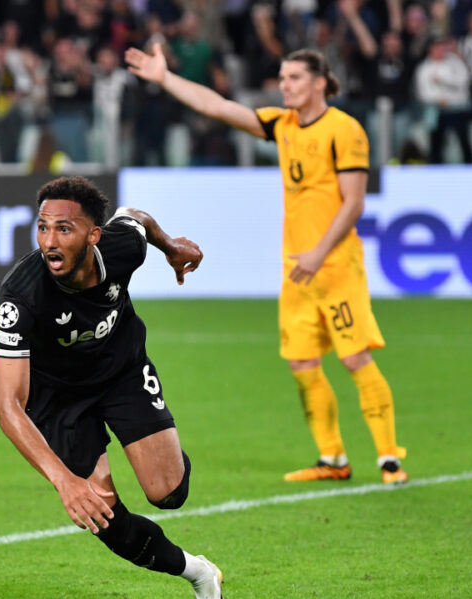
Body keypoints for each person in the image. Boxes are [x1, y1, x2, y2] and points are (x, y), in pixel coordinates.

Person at [125, 44, 409, 484]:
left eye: (294, 77)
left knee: (355, 358)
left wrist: (319, 253)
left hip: (335, 267)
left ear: (319, 82)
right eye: (282, 77)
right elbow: (217, 106)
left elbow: (353, 203)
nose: (284, 84)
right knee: (302, 364)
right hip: (297, 269)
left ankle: (390, 459)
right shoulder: (283, 124)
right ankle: (333, 459)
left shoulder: (344, 129)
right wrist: (165, 78)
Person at [0, 176, 222, 599]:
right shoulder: (21, 295)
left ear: (93, 235)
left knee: (168, 492)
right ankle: (198, 573)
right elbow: (9, 407)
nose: (49, 241)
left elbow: (136, 217)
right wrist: (64, 481)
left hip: (122, 372)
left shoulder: (121, 248)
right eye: (43, 227)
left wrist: (170, 247)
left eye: (64, 228)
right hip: (59, 399)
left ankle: (153, 440)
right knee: (99, 511)